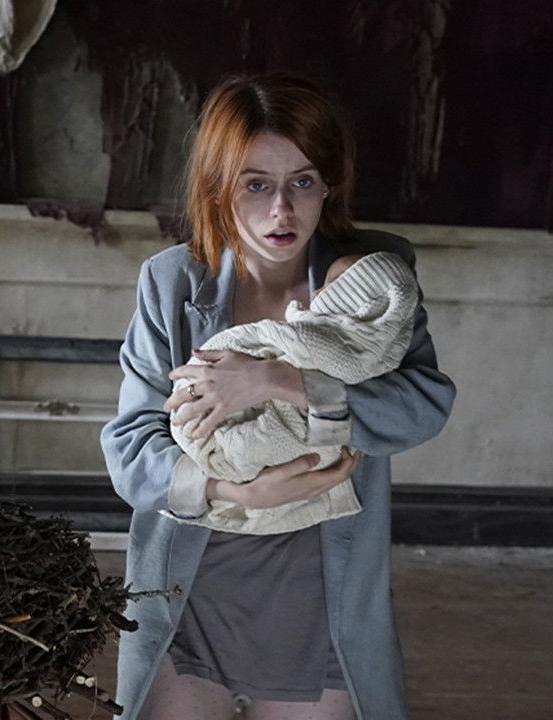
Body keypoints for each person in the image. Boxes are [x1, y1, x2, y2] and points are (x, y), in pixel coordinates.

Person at [100, 72, 454, 720]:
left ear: (330, 184)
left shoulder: (373, 280)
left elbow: (422, 405)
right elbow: (129, 450)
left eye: (303, 182)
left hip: (321, 605)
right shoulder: (171, 282)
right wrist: (233, 491)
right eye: (256, 184)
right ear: (218, 186)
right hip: (190, 599)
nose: (282, 211)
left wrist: (277, 381)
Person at [169, 250, 420, 535]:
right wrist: (231, 492)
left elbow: (419, 411)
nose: (319, 292)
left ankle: (228, 455)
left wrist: (273, 378)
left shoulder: (374, 312)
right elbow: (134, 444)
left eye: (334, 283)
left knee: (250, 445)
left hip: (324, 539)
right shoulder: (172, 275)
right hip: (200, 546)